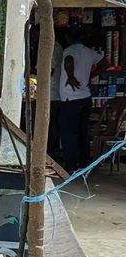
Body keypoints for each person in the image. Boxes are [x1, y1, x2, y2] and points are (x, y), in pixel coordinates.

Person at [59, 24, 109, 173]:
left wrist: (71, 76)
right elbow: (105, 63)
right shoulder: (89, 52)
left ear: (68, 38)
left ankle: (70, 166)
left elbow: (68, 60)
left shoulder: (69, 50)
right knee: (82, 131)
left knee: (69, 133)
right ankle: (85, 163)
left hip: (70, 99)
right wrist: (91, 76)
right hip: (85, 97)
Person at [48, 36, 64, 156]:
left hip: (52, 92)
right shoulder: (57, 48)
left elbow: (49, 70)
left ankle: (51, 150)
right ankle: (52, 148)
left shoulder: (53, 47)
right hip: (55, 91)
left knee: (52, 122)